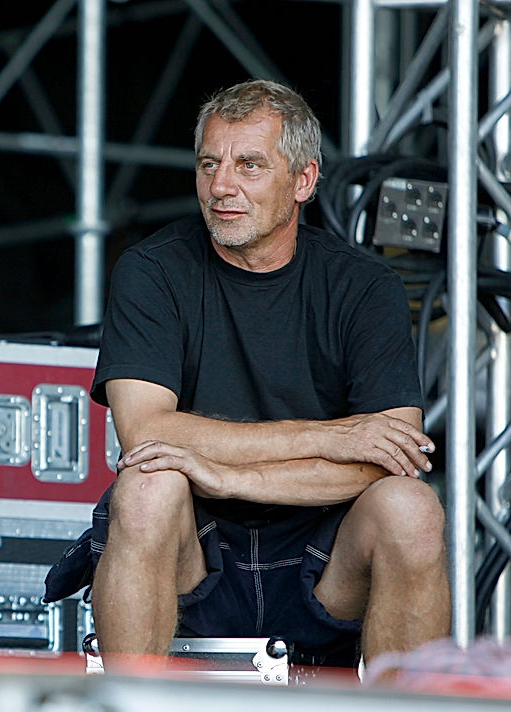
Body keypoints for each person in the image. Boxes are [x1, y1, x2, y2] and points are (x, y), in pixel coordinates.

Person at [44, 79, 450, 669]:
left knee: (412, 509)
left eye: (250, 166)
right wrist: (330, 436)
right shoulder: (152, 270)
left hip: (326, 557)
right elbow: (145, 434)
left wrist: (225, 473)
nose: (221, 186)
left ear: (304, 181)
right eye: (209, 164)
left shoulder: (366, 286)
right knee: (148, 485)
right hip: (196, 555)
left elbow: (392, 456)